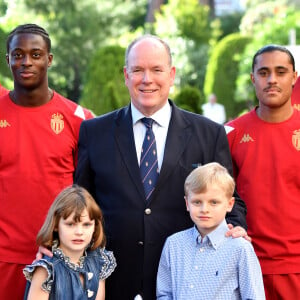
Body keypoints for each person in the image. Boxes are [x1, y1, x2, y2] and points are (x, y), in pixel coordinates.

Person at [74, 34, 248, 300]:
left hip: (187, 281)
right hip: (112, 282)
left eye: (156, 69)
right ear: (125, 74)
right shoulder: (93, 132)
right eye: (138, 70)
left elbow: (229, 201)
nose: (147, 79)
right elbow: (79, 203)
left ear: (172, 74)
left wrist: (235, 230)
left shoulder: (209, 133)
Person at [0, 23, 93, 299]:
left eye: (36, 54)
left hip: (59, 259)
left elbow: (89, 192)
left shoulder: (79, 119)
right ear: (8, 60)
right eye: (18, 54)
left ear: (49, 59)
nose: (26, 61)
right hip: (4, 257)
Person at [225, 44, 300, 299]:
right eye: (264, 72)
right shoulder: (230, 134)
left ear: (294, 78)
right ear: (253, 78)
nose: (272, 80)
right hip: (245, 264)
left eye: (281, 72)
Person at [157, 162, 265, 299]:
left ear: (230, 204)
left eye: (214, 202)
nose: (204, 209)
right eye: (197, 202)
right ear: (187, 203)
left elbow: (253, 297)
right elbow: (165, 294)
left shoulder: (240, 248)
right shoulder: (173, 244)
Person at [23, 184, 116, 300]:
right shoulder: (47, 270)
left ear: (95, 227)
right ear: (56, 225)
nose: (79, 232)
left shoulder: (99, 260)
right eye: (70, 224)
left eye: (87, 224)